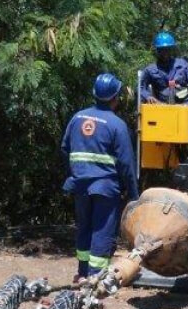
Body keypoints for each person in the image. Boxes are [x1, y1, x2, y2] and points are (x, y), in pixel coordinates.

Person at [61, 73, 139, 281]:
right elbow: (126, 164)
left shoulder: (77, 118)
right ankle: (95, 281)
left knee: (84, 228)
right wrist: (133, 194)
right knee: (102, 233)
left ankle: (83, 274)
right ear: (115, 97)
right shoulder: (117, 125)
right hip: (105, 189)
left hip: (80, 186)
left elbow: (65, 149)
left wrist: (75, 175)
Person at [140, 31, 188, 144]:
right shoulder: (150, 70)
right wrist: (147, 96)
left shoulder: (182, 64)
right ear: (157, 51)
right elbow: (140, 87)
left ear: (171, 49)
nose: (165, 53)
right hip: (164, 105)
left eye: (167, 49)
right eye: (162, 50)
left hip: (186, 100)